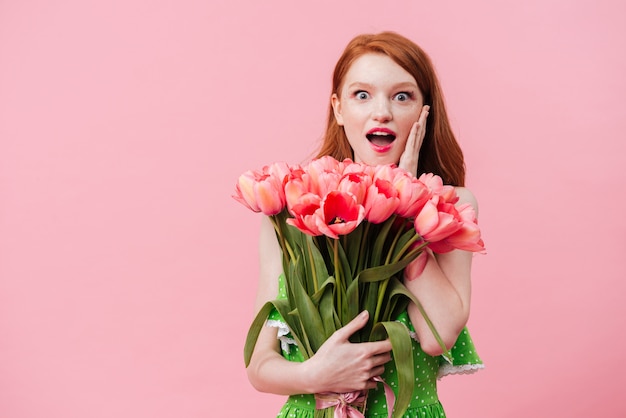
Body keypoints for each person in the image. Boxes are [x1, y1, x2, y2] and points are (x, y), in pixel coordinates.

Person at [246, 31, 483, 417]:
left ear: (426, 111)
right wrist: (314, 374)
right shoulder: (296, 208)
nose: (382, 112)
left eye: (402, 96)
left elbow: (436, 334)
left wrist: (406, 202)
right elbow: (259, 367)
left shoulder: (450, 207)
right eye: (362, 95)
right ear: (338, 109)